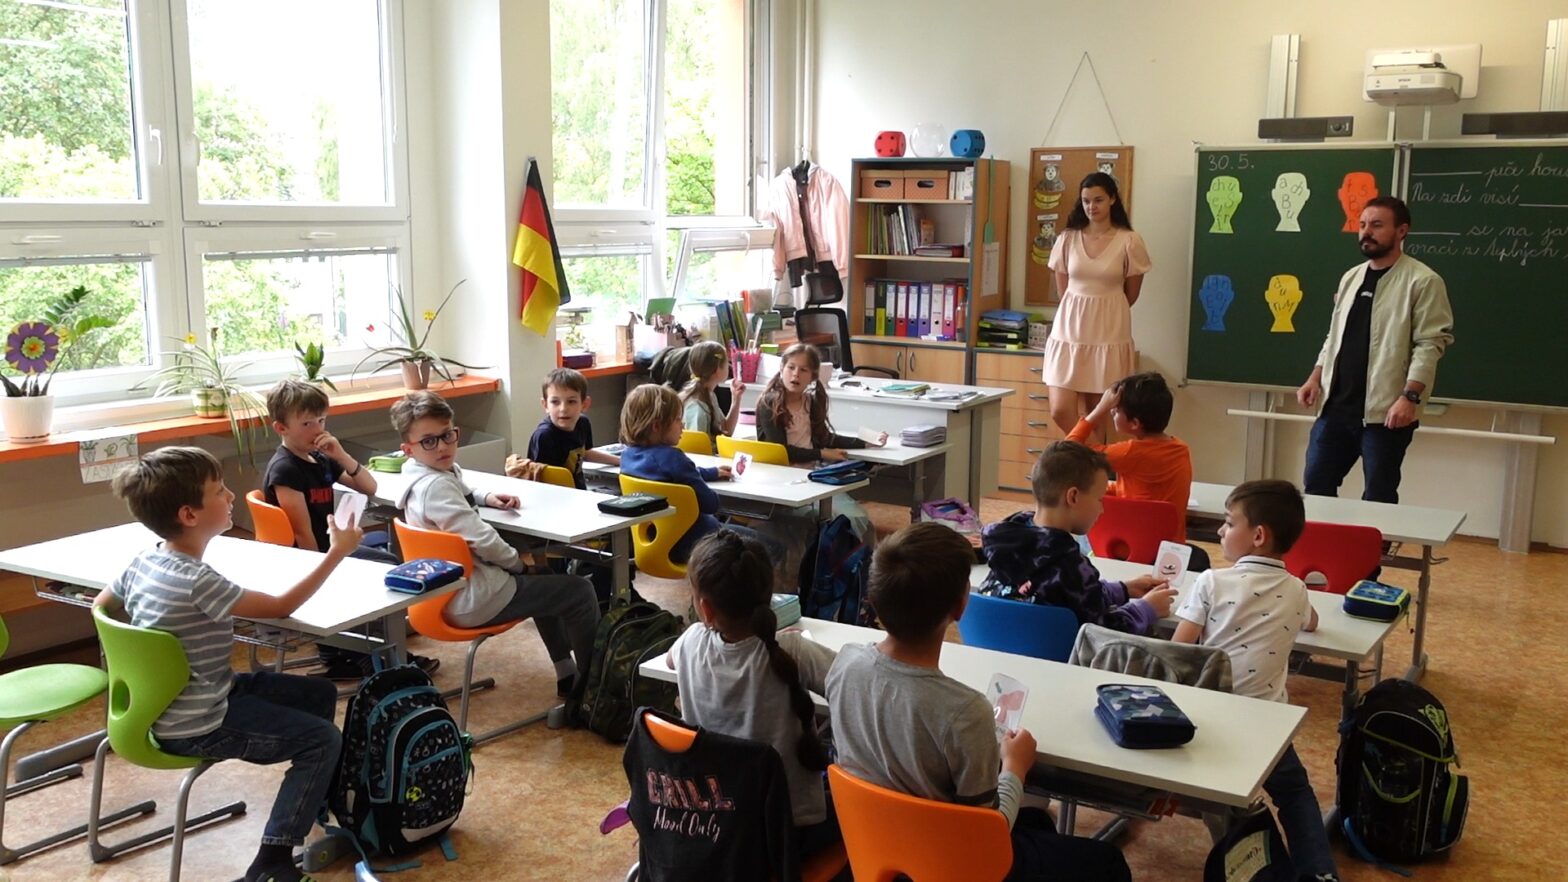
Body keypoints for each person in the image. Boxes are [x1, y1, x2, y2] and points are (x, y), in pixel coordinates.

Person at [97, 446, 357, 882]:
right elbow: (282, 606)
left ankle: (308, 800)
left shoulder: (146, 559)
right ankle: (272, 861)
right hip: (200, 723)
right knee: (323, 740)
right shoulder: (198, 581)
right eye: (219, 491)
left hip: (177, 702)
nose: (232, 496)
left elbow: (103, 608)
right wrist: (337, 552)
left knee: (319, 692)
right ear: (189, 515)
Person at [827, 522, 1132, 882]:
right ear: (960, 607)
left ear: (873, 600)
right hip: (954, 866)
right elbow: (992, 827)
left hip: (878, 850)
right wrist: (1015, 767)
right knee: (1107, 861)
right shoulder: (965, 711)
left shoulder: (844, 664)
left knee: (1036, 823)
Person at [1171, 480, 1338, 882]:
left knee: (1243, 788)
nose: (1220, 531)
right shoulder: (1296, 589)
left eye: (1229, 524)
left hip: (1209, 721)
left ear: (1258, 536)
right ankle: (1320, 874)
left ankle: (1242, 829)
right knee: (1296, 794)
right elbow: (1312, 622)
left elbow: (1179, 652)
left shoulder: (1211, 581)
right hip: (1267, 726)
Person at [392, 391, 598, 698]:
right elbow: (483, 539)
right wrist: (517, 564)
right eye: (429, 441)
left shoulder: (425, 473)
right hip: (471, 599)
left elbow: (459, 492)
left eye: (448, 435)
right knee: (579, 591)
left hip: (440, 595)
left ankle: (566, 673)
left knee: (544, 578)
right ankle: (592, 688)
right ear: (408, 449)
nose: (443, 446)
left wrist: (485, 498)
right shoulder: (436, 487)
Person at [664, 529, 840, 858]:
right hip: (786, 834)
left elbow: (672, 661)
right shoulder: (791, 650)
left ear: (705, 607)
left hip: (716, 823)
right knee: (850, 795)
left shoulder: (690, 643)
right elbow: (852, 680)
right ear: (769, 596)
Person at [260, 378, 437, 679]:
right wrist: (326, 572)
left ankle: (367, 647)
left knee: (389, 562)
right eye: (307, 423)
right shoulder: (285, 470)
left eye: (321, 420)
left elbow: (369, 486)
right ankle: (366, 655)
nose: (317, 429)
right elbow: (303, 536)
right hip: (312, 556)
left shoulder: (319, 457)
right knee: (381, 570)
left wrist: (340, 454)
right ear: (281, 428)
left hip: (332, 547)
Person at [1296, 196, 1454, 504]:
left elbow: (1430, 344)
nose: (1367, 232)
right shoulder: (1351, 277)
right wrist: (1315, 376)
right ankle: (1322, 553)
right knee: (1316, 486)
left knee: (1379, 496)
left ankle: (1376, 554)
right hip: (1335, 409)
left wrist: (1409, 397)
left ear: (1401, 231)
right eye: (1363, 225)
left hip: (1385, 415)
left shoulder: (1423, 281)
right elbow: (1336, 336)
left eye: (1377, 225)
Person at [979, 440, 1175, 634]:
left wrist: (1124, 589)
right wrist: (1146, 609)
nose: (1102, 509)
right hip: (1060, 662)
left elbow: (1072, 595)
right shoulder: (1071, 566)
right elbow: (1102, 634)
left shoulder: (1007, 543)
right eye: (1099, 499)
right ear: (1073, 497)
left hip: (1001, 657)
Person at [619, 383, 780, 566]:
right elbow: (711, 504)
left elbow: (670, 475)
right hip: (701, 544)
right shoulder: (675, 458)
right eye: (678, 419)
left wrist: (711, 473)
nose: (683, 424)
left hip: (656, 543)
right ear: (657, 426)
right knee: (771, 548)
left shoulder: (628, 456)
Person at [1043, 172, 1153, 434]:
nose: (1092, 207)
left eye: (1098, 200)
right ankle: (1096, 456)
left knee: (1099, 413)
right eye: (1086, 201)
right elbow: (1063, 290)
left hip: (1109, 330)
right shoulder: (1067, 239)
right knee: (1060, 410)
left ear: (1113, 199)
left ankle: (1095, 468)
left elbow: (1131, 294)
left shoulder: (1129, 240)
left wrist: (1105, 309)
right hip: (1070, 329)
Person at [1067, 372, 1208, 571]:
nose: (1111, 413)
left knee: (1072, 524)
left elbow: (1066, 453)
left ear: (1134, 423)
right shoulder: (1180, 449)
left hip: (1126, 550)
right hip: (1167, 550)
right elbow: (1143, 492)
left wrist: (1099, 409)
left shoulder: (1129, 453)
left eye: (1115, 410)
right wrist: (1109, 489)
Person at [527, 367, 621, 489]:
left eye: (571, 401)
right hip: (553, 497)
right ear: (545, 405)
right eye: (555, 402)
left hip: (578, 493)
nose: (563, 409)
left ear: (584, 404)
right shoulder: (544, 436)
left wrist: (620, 461)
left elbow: (584, 453)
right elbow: (541, 478)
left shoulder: (583, 423)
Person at [680, 340, 747, 445]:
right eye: (726, 363)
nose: (729, 367)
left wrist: (736, 399)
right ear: (717, 370)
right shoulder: (697, 409)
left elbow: (726, 431)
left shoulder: (709, 395)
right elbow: (697, 450)